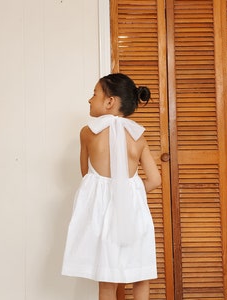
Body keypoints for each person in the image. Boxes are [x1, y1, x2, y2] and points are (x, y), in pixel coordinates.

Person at [62, 73, 161, 300]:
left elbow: (86, 174)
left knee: (107, 279)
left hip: (102, 215)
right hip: (134, 215)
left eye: (94, 94)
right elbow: (155, 180)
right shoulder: (138, 135)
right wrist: (128, 191)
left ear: (110, 102)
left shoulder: (87, 133)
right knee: (140, 275)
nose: (89, 99)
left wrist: (110, 189)